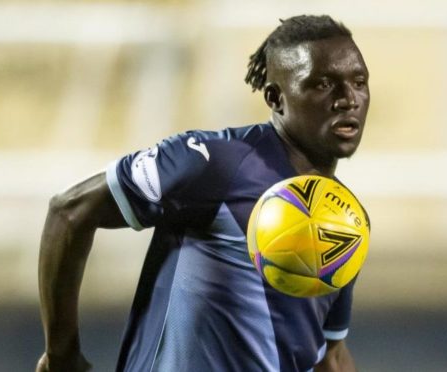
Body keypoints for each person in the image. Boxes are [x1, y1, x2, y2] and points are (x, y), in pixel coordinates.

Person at [36, 14, 370, 372]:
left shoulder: (346, 219)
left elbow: (330, 353)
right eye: (322, 84)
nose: (348, 99)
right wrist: (61, 353)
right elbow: (69, 212)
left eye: (359, 81)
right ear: (276, 98)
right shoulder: (214, 164)